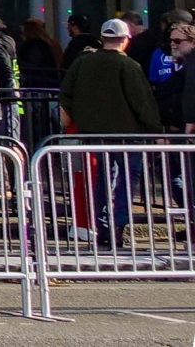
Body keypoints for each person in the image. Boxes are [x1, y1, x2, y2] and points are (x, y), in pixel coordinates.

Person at [60, 17, 163, 249]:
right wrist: (156, 130)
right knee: (126, 181)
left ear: (103, 38)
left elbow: (65, 95)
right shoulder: (129, 66)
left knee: (102, 181)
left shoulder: (83, 62)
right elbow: (142, 103)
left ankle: (102, 227)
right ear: (126, 39)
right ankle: (119, 227)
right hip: (127, 135)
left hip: (92, 133)